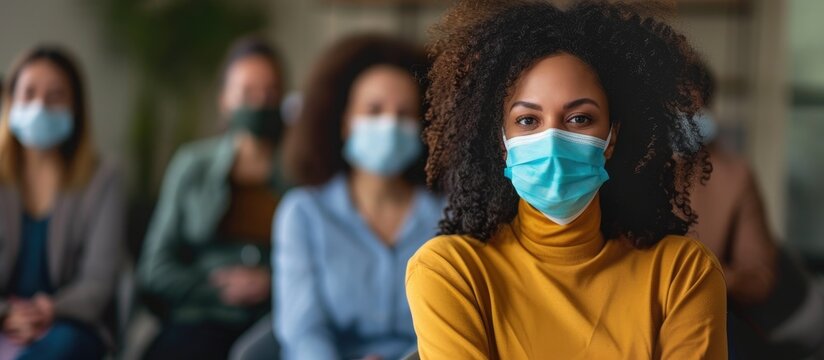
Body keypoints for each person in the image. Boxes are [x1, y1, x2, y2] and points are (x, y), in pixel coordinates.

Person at [405, 1, 728, 358]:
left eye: (579, 119)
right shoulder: (451, 272)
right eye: (528, 120)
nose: (553, 138)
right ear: (502, 142)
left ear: (612, 137)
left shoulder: (682, 273)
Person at [273, 34, 442, 360]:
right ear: (344, 122)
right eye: (374, 109)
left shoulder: (449, 216)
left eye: (404, 112)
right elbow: (302, 331)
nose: (389, 124)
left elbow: (455, 329)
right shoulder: (303, 214)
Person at [137, 36, 289, 360]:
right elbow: (154, 268)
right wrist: (216, 288)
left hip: (274, 322)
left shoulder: (301, 175)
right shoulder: (192, 165)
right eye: (248, 92)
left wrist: (270, 283)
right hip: (199, 318)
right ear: (225, 100)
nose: (261, 102)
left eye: (271, 91)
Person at [0, 46, 124, 360]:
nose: (40, 105)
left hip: (67, 322)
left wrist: (50, 310)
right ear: (11, 102)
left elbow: (99, 280)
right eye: (28, 93)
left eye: (55, 96)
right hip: (4, 317)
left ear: (76, 108)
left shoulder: (103, 179)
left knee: (65, 347)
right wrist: (5, 314)